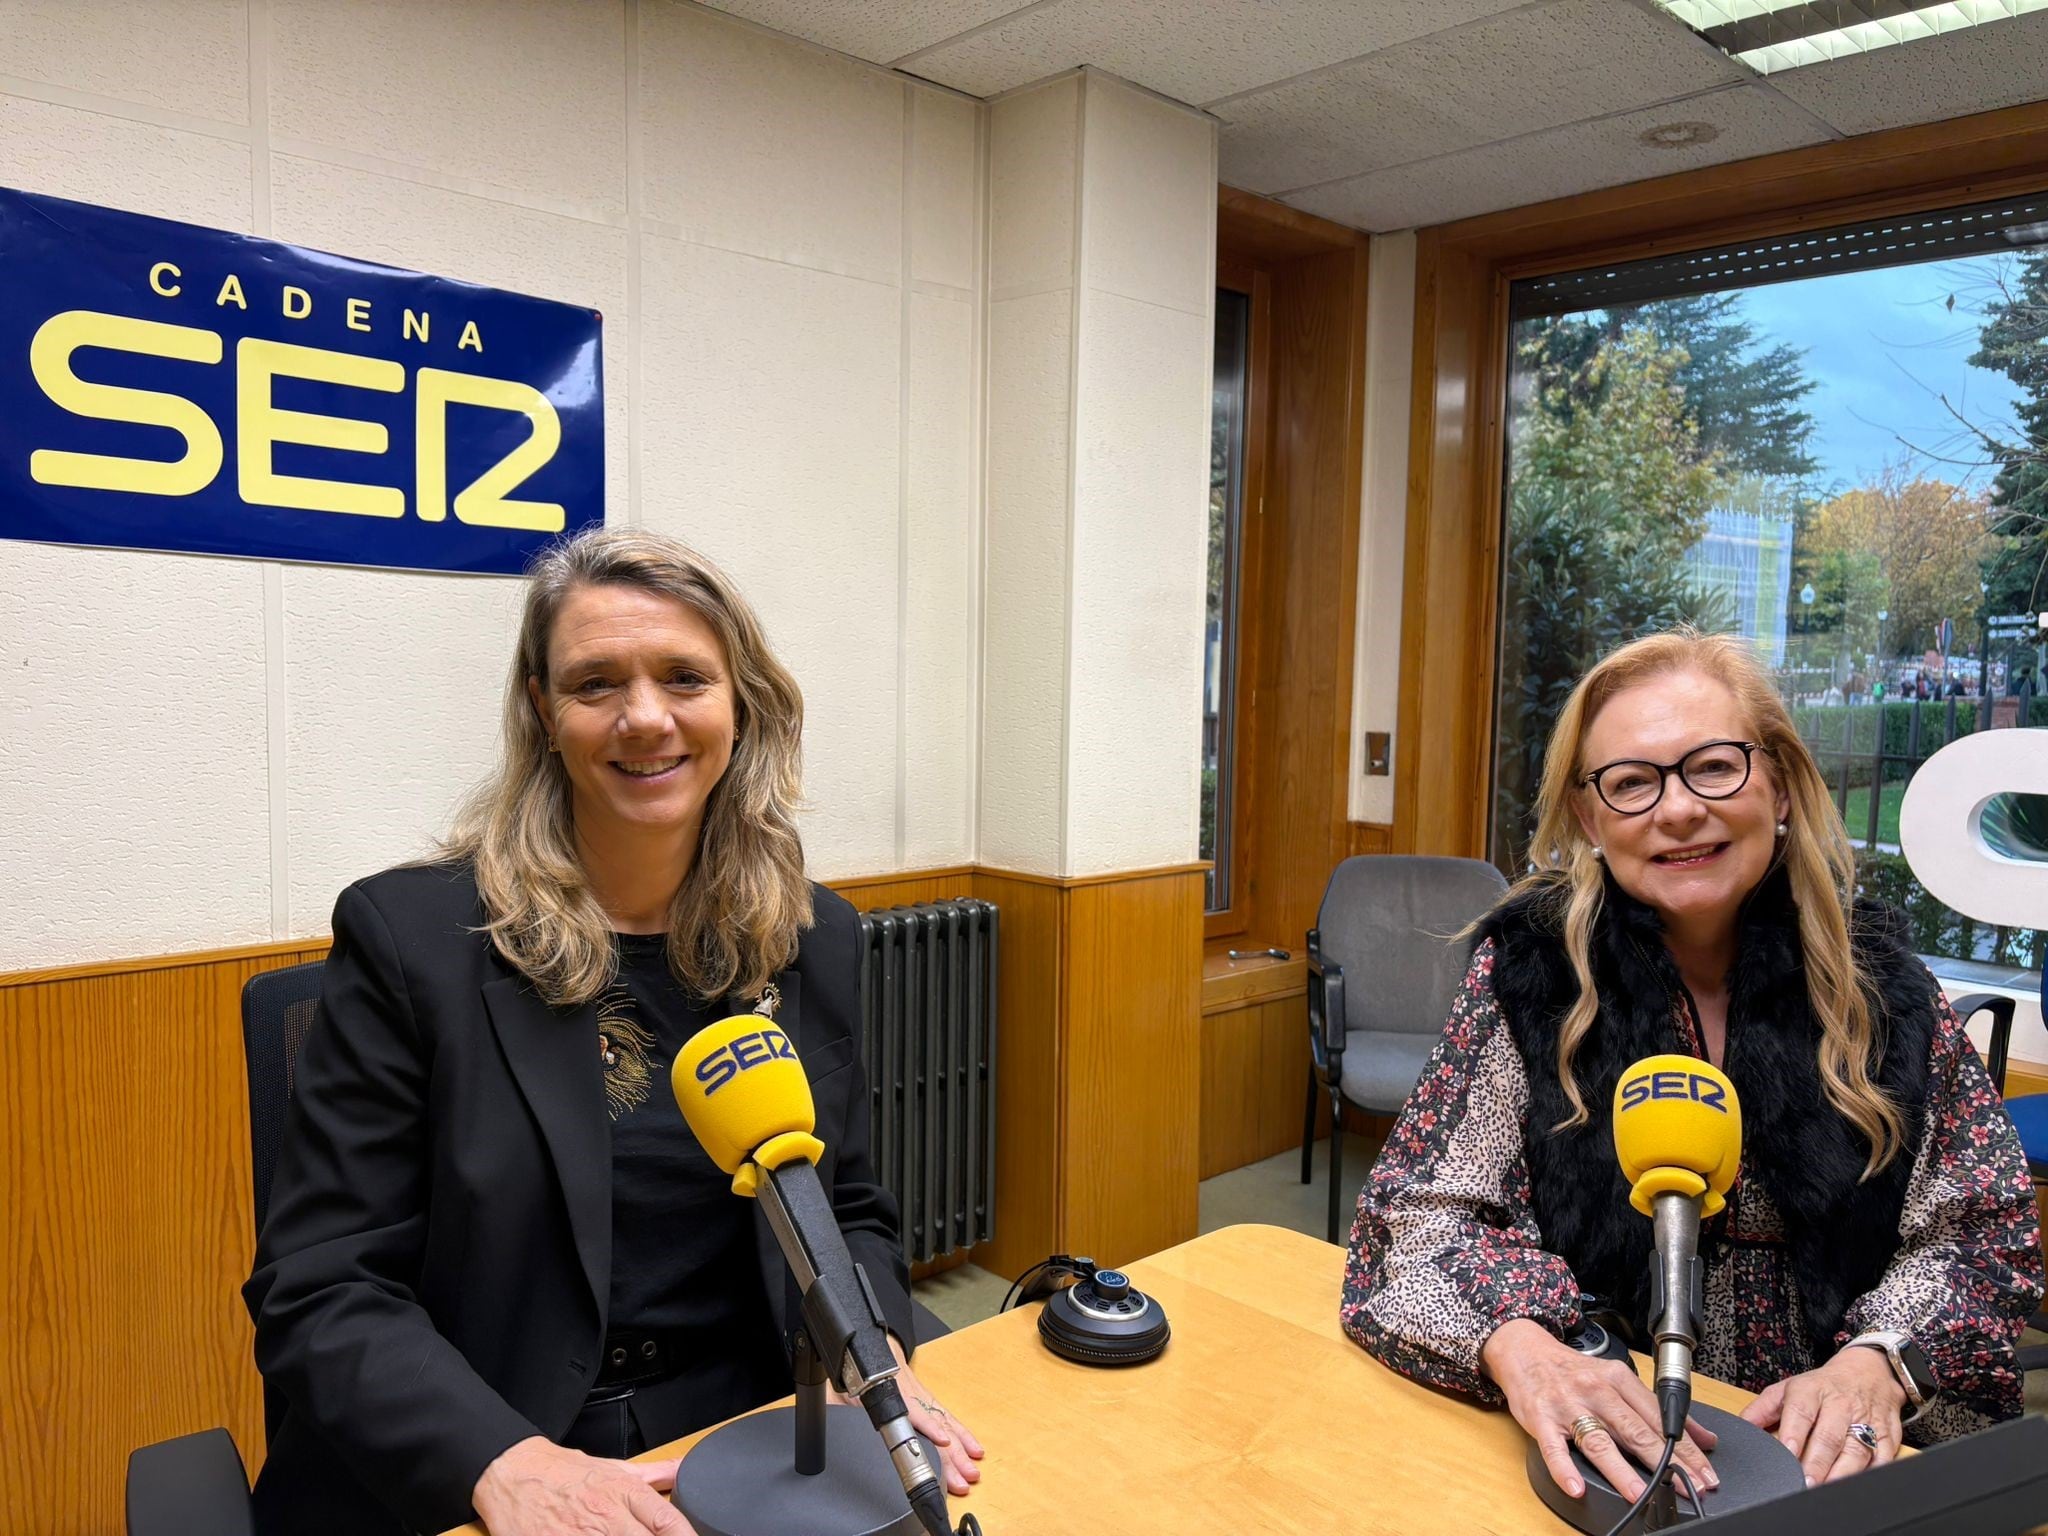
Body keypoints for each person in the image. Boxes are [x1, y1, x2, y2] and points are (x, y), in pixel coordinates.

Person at [246, 529, 983, 1536]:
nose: (645, 718)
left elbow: (844, 1202)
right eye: (596, 684)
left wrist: (874, 1349)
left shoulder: (811, 938)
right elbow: (322, 1284)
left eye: (684, 677)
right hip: (499, 1443)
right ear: (544, 713)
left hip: (750, 1428)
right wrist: (500, 1462)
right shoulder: (411, 942)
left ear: (741, 706)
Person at [1342, 628, 2041, 1506]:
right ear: (1591, 820)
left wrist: (1879, 1361)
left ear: (1779, 784)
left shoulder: (1887, 987)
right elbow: (1421, 1212)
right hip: (1592, 1459)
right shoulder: (1530, 974)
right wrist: (1524, 1348)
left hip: (1833, 1469)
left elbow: (1980, 1233)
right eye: (1631, 783)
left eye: (1713, 766)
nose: (1676, 810)